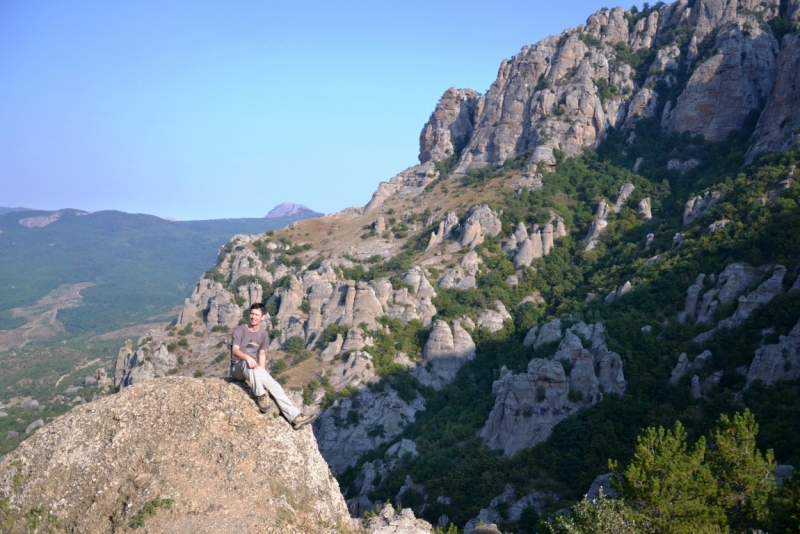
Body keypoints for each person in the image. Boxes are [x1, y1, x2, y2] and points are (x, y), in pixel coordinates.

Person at [229, 303, 316, 429]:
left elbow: (262, 355)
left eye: (257, 315)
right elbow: (235, 350)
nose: (253, 317)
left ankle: (295, 417)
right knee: (248, 363)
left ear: (263, 317)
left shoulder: (263, 334)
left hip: (253, 368)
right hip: (237, 367)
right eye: (252, 314)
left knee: (274, 386)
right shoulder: (240, 330)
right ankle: (260, 397)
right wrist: (247, 357)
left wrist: (264, 376)